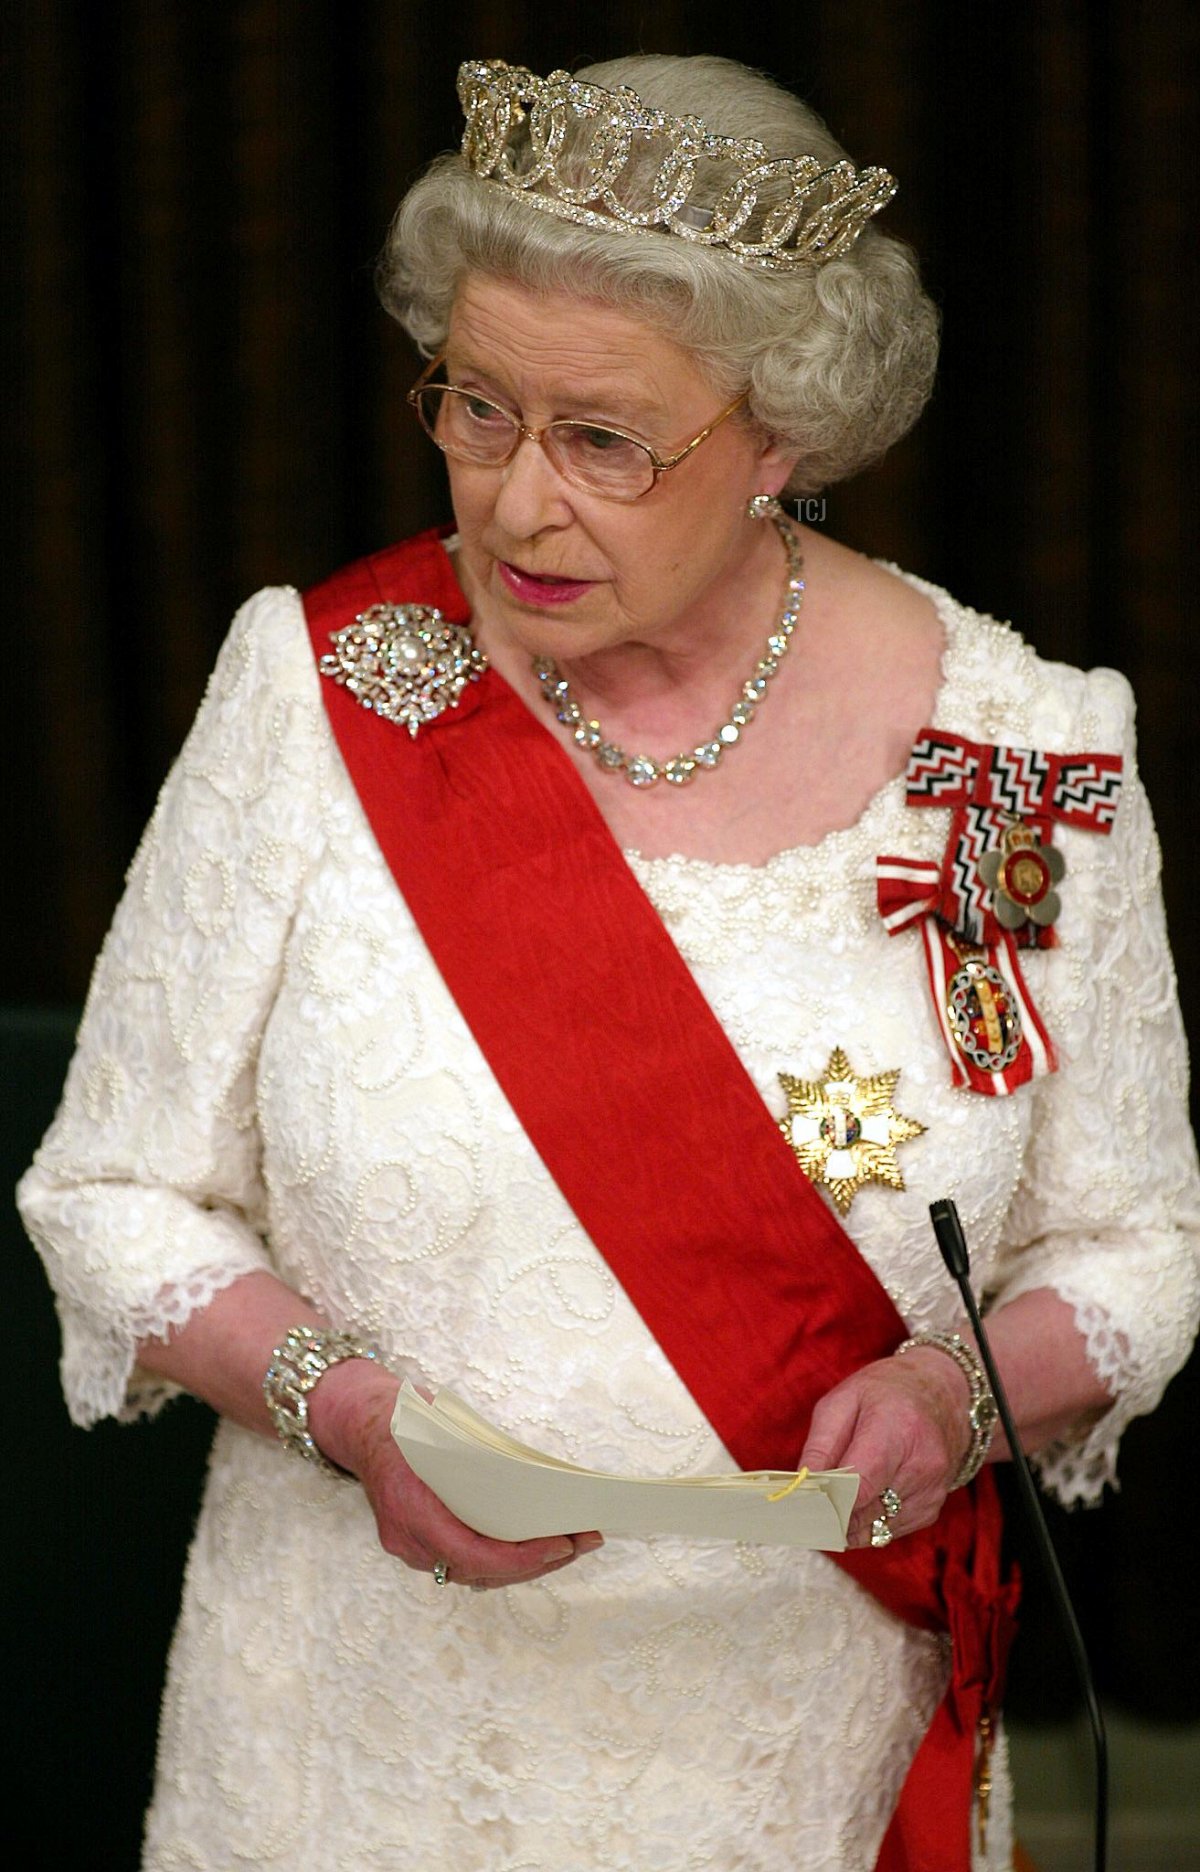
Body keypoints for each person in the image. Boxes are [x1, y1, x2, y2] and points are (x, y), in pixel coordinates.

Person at [18, 53, 1200, 1872]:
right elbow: (108, 1190)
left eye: (606, 442)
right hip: (353, 1736)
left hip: (791, 1738)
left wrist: (960, 1395)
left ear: (784, 436)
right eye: (474, 410)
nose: (512, 505)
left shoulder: (1014, 766)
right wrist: (351, 1411)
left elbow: (1131, 1247)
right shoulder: (320, 691)